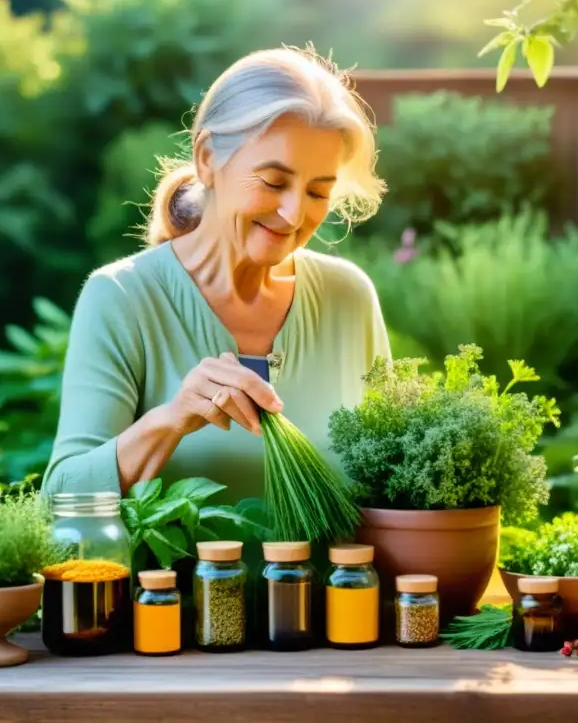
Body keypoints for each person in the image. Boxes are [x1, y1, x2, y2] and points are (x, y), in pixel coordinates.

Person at [41, 46, 391, 503]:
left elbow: (397, 479)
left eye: (317, 192)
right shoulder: (123, 298)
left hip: (339, 580)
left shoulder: (348, 298)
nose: (293, 213)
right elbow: (59, 497)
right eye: (273, 182)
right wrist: (173, 418)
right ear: (207, 158)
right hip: (183, 580)